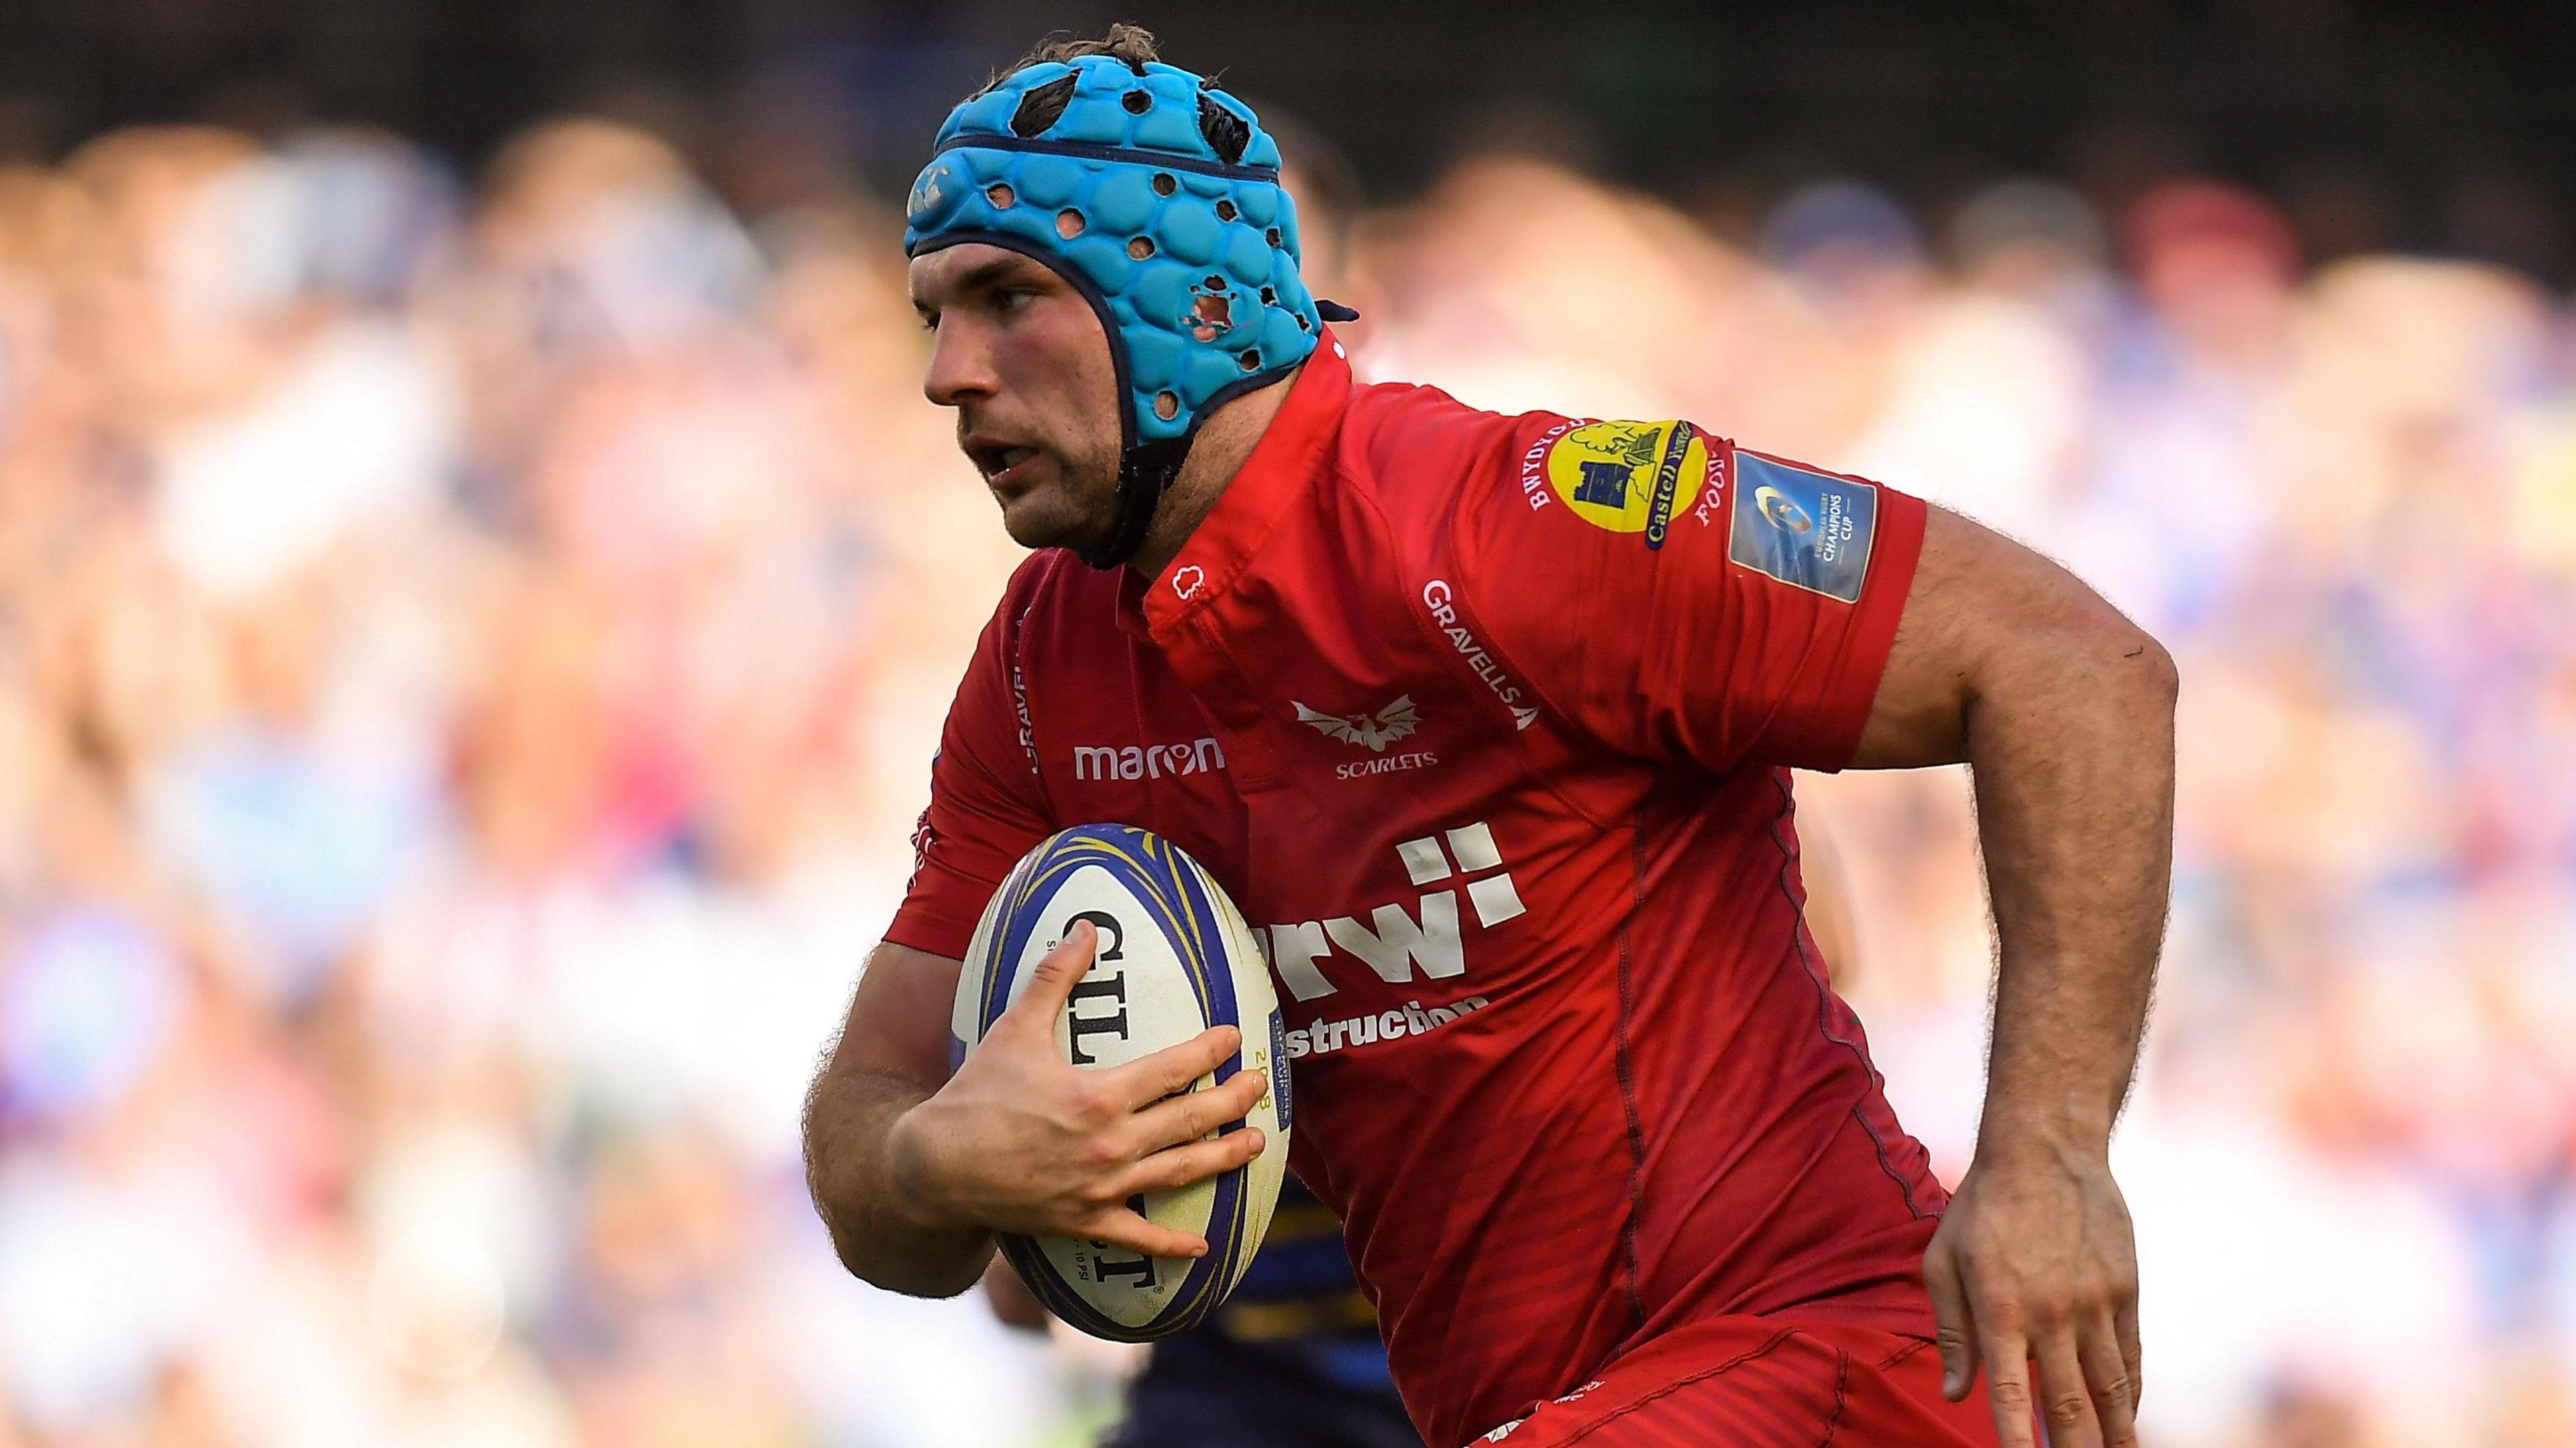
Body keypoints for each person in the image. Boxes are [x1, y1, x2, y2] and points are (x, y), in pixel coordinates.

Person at [803, 26, 2175, 1448]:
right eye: (934, 317)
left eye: (1008, 298)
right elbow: (874, 1114)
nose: (948, 374)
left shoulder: (1522, 521)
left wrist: (2050, 1166)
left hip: (1822, 1356)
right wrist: (937, 1166)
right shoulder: (1042, 672)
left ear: (1180, 304)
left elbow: (2076, 664)